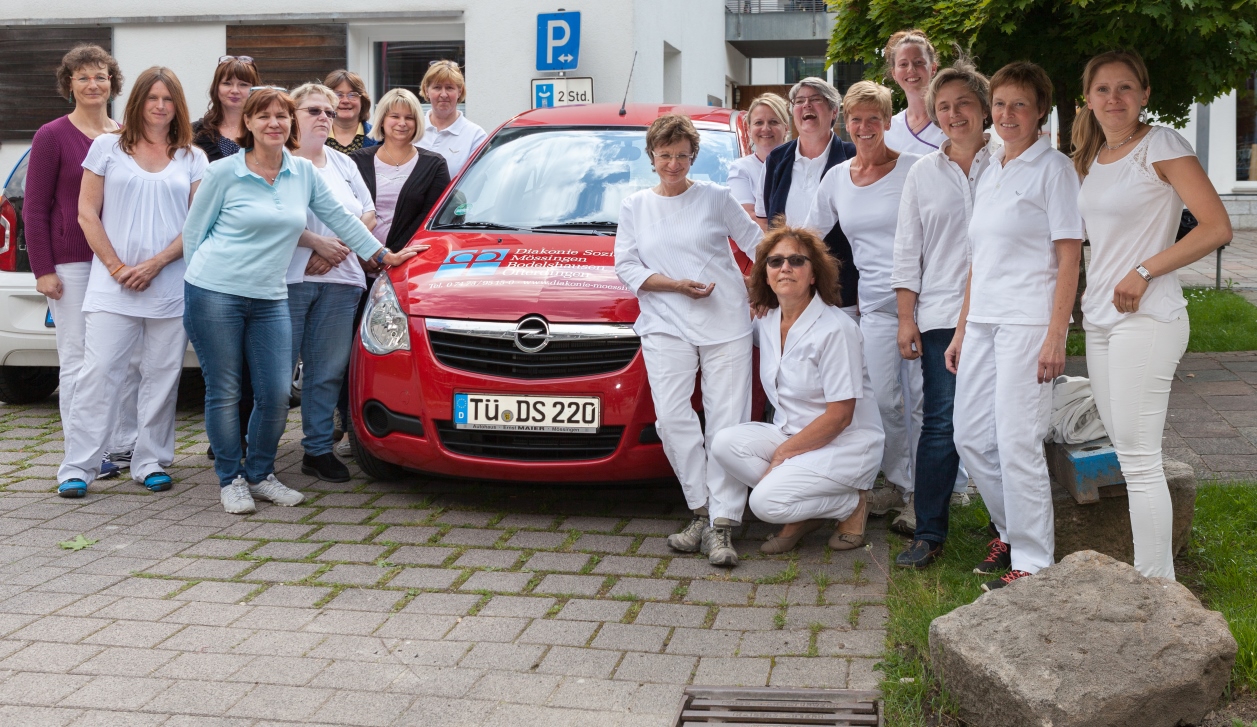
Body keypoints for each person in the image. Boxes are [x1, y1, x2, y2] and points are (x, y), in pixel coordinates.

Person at [182, 88, 419, 515]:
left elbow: (343, 219)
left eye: (282, 116)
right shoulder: (223, 173)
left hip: (271, 295)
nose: (274, 123)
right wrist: (199, 286)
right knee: (226, 388)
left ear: (290, 124)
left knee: (274, 393)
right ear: (249, 125)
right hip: (216, 293)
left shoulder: (302, 173)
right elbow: (194, 236)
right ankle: (231, 478)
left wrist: (384, 257)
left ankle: (259, 472)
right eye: (264, 116)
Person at [1073, 51, 1230, 579]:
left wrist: (1144, 269)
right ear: (1088, 98)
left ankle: (1155, 585)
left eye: (1124, 88)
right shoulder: (1095, 156)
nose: (1113, 99)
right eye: (1102, 89)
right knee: (1126, 451)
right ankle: (1150, 575)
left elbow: (1215, 227)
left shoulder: (1160, 144)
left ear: (1144, 94)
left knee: (1140, 459)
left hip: (1148, 315)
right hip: (1100, 320)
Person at [947, 62, 1083, 591]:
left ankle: (1034, 561)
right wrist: (961, 330)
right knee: (971, 438)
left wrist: (1057, 335)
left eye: (1019, 104)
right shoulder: (990, 167)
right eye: (1000, 104)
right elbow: (978, 262)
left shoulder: (1055, 170)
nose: (1007, 114)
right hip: (982, 321)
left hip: (1029, 322)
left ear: (1040, 110)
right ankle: (1009, 529)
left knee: (1017, 440)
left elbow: (1068, 259)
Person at [614, 114, 764, 567]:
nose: (674, 164)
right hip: (664, 320)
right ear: (652, 158)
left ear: (693, 156)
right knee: (672, 420)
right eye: (665, 156)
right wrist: (675, 286)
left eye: (682, 155)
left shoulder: (716, 198)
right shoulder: (635, 206)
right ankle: (700, 507)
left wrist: (767, 290)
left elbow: (760, 245)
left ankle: (722, 525)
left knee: (726, 423)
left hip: (725, 320)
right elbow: (627, 266)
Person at [56, 67, 206, 498]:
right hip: (112, 285)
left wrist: (156, 264)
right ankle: (78, 467)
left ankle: (149, 460)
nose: (160, 106)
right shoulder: (107, 147)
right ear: (137, 101)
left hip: (170, 285)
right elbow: (87, 213)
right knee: (99, 373)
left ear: (178, 105)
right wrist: (118, 267)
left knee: (161, 377)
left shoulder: (193, 157)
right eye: (152, 98)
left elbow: (197, 224)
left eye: (169, 99)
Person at [712, 227, 884, 554]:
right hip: (793, 432)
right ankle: (810, 503)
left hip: (844, 443)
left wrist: (783, 455)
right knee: (724, 444)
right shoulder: (766, 321)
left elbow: (840, 417)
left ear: (814, 274)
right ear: (765, 274)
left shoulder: (836, 329)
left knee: (764, 505)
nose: (785, 268)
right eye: (775, 261)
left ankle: (852, 502)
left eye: (796, 260)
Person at [892, 60, 998, 568]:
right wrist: (905, 317)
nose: (954, 114)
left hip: (1001, 315)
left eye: (964, 104)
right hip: (938, 319)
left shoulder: (1008, 163)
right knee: (941, 424)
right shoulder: (922, 173)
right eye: (944, 107)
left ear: (984, 110)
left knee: (1003, 425)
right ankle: (929, 532)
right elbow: (906, 249)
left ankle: (1007, 532)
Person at [807, 81, 923, 537]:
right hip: (872, 303)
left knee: (919, 401)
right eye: (855, 119)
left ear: (888, 121)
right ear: (845, 123)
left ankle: (923, 496)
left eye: (873, 118)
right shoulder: (838, 177)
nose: (864, 126)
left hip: (923, 302)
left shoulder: (915, 169)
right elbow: (811, 233)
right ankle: (898, 482)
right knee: (882, 400)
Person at [25, 44, 137, 484]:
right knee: (77, 359)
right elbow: (34, 209)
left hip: (115, 263)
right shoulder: (51, 135)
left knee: (121, 359)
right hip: (70, 264)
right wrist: (43, 270)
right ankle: (81, 454)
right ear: (68, 84)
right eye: (84, 77)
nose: (94, 84)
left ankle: (118, 445)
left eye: (102, 76)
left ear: (113, 83)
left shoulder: (125, 133)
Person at [285, 83, 378, 483]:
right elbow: (268, 217)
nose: (324, 116)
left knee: (327, 372)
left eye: (327, 111)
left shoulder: (344, 164)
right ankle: (257, 450)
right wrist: (316, 247)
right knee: (275, 373)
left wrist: (334, 248)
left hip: (343, 282)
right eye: (313, 110)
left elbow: (370, 213)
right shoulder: (278, 161)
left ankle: (318, 450)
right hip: (288, 280)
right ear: (292, 116)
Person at [762, 78, 858, 311]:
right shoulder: (776, 160)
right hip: (788, 292)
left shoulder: (853, 157)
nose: (807, 105)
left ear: (834, 111)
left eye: (816, 100)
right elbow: (769, 225)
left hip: (840, 290)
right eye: (800, 101)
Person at [351, 88, 450, 252]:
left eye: (409, 118)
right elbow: (347, 212)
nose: (402, 123)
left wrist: (391, 255)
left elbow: (429, 217)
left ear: (417, 122)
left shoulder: (435, 165)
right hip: (357, 261)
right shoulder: (356, 161)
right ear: (382, 120)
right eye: (395, 116)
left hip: (409, 260)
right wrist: (365, 253)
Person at [416, 60, 487, 177]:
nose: (443, 94)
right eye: (437, 87)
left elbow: (476, 181)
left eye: (449, 88)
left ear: (460, 91)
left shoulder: (475, 136)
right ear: (426, 91)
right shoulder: (413, 128)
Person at [728, 93, 789, 227]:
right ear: (749, 130)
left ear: (786, 128)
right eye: (758, 122)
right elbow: (749, 219)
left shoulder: (799, 163)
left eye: (773, 122)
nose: (766, 128)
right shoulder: (741, 169)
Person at [882, 30, 948, 155]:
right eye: (903, 64)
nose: (911, 69)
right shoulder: (889, 128)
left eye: (919, 62)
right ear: (894, 73)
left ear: (933, 68)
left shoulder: (950, 120)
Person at [191, 56, 260, 162]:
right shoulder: (195, 132)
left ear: (254, 90)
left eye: (243, 85)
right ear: (216, 87)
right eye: (227, 83)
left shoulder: (263, 130)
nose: (235, 90)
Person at [323, 69, 378, 154]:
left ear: (362, 101)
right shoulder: (312, 138)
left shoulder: (380, 139)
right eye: (338, 95)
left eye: (352, 95)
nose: (345, 101)